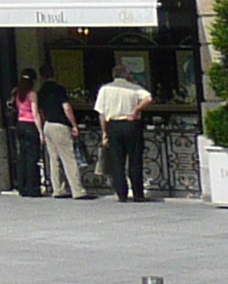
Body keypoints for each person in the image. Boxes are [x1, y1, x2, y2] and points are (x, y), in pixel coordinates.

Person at [93, 66, 154, 202]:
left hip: (113, 124)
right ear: (127, 75)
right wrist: (136, 109)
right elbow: (148, 98)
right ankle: (138, 193)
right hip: (131, 123)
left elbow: (101, 113)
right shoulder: (133, 88)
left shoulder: (105, 89)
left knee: (117, 161)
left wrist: (104, 132)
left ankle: (122, 193)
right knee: (135, 159)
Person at [35, 69, 90, 202]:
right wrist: (74, 125)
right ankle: (77, 190)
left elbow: (40, 111)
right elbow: (66, 107)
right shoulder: (59, 89)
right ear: (55, 75)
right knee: (69, 159)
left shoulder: (40, 91)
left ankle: (58, 189)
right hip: (60, 125)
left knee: (54, 159)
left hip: (48, 124)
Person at [11, 70, 46, 197]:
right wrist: (41, 132)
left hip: (20, 124)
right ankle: (32, 187)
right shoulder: (32, 94)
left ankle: (22, 186)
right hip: (30, 125)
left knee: (22, 157)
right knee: (32, 158)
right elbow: (35, 113)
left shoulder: (17, 93)